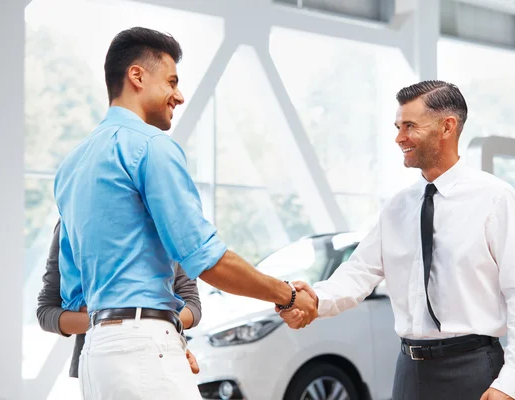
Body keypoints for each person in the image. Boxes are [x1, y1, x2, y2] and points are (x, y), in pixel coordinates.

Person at [53, 27, 317, 399]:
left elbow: (73, 293)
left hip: (98, 358)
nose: (178, 95)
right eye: (172, 81)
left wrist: (161, 334)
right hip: (142, 351)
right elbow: (206, 259)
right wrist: (286, 295)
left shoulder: (71, 166)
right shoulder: (151, 147)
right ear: (137, 76)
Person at [280, 80, 515, 400]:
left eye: (409, 126)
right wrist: (312, 302)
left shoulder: (495, 199)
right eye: (397, 126)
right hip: (409, 372)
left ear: (447, 127)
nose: (399, 138)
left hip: (475, 370)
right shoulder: (396, 208)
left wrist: (511, 382)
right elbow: (356, 276)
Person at [36, 219, 201, 378]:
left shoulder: (167, 219)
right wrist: (115, 323)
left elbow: (192, 306)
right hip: (102, 366)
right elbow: (47, 312)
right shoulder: (73, 217)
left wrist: (153, 328)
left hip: (164, 355)